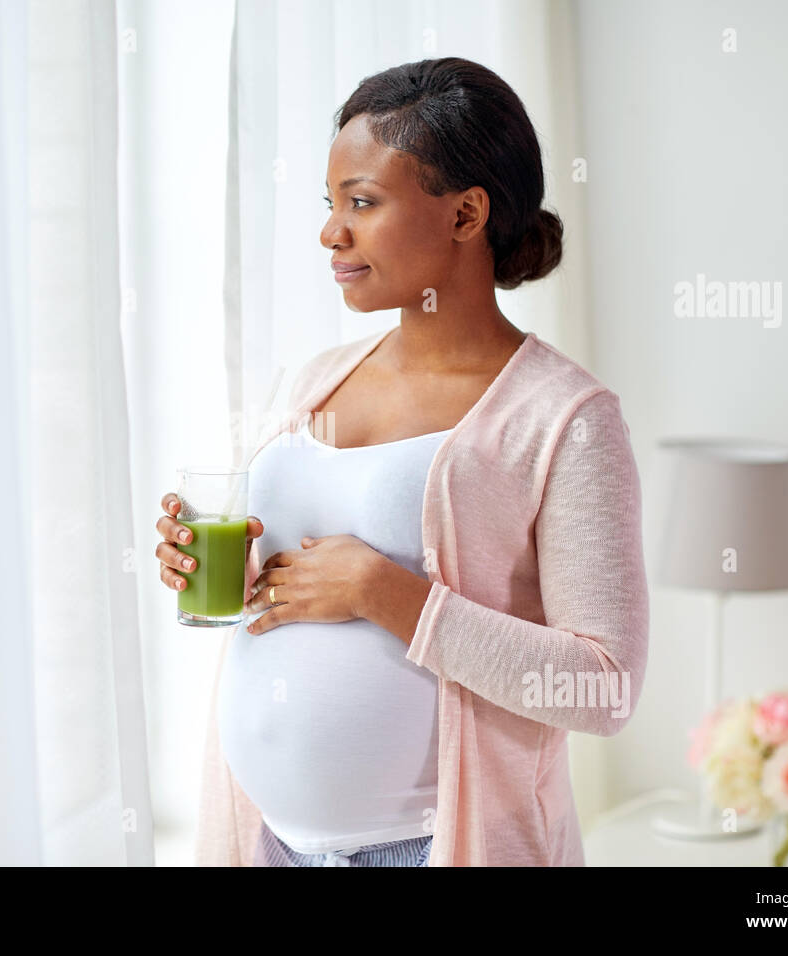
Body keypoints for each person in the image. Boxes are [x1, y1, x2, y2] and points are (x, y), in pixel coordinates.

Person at [155, 57, 649, 866]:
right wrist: (230, 573)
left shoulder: (564, 419)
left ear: (465, 215)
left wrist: (389, 595)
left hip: (432, 847)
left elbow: (602, 687)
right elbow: (290, 590)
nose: (330, 232)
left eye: (363, 202)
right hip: (269, 841)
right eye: (330, 203)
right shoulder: (315, 380)